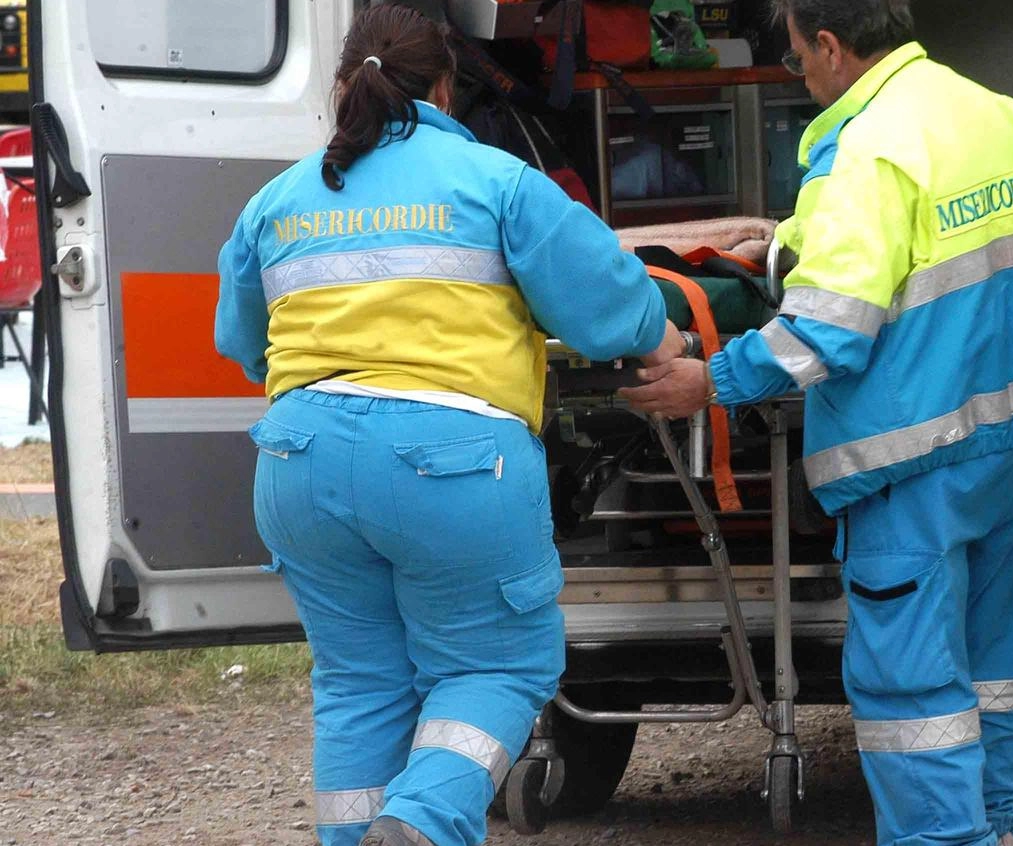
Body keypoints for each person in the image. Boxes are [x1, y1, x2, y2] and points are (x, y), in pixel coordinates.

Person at [213, 5, 683, 846]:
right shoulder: (495, 180)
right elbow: (614, 314)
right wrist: (666, 332)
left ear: (340, 88)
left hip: (299, 459)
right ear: (444, 89)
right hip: (450, 461)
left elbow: (242, 347)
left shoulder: (273, 204)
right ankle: (420, 824)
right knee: (497, 663)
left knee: (359, 682)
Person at [621, 1, 1013, 844]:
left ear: (830, 46)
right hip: (1009, 442)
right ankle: (1004, 825)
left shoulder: (867, 150)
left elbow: (826, 330)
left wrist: (710, 380)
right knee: (991, 669)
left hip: (909, 461)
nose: (800, 74)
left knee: (913, 693)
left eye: (795, 59)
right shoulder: (992, 111)